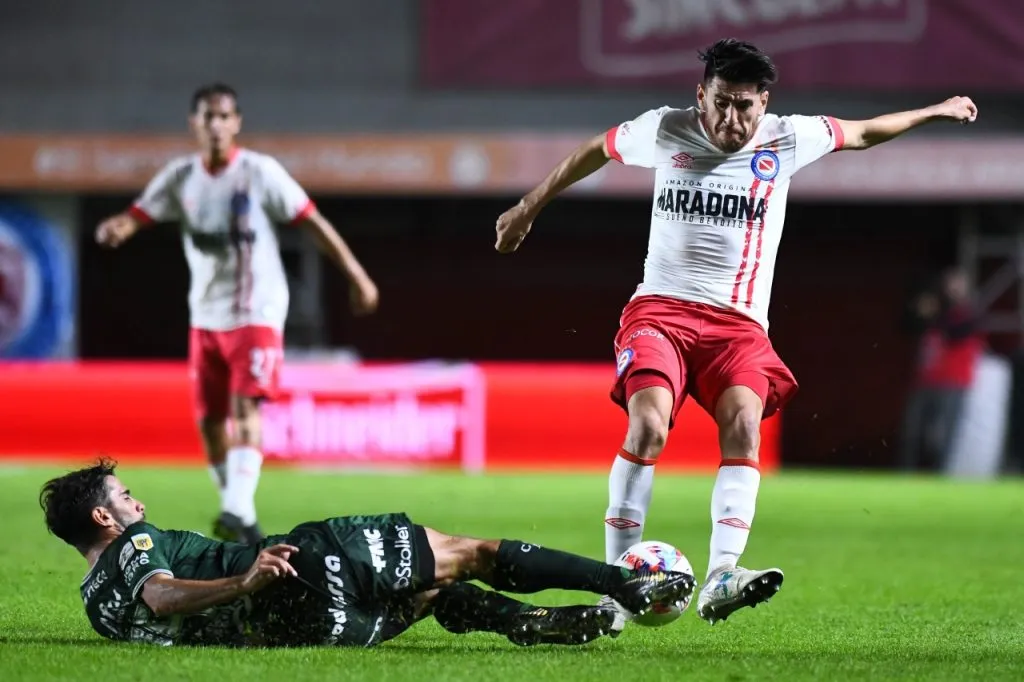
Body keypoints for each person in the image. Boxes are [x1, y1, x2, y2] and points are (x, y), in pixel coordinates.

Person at [493, 38, 978, 631]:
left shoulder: (788, 137)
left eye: (744, 106)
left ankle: (723, 574)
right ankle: (613, 587)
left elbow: (866, 132)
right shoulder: (665, 129)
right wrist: (528, 207)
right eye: (721, 103)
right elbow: (597, 149)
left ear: (763, 102)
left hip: (739, 327)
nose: (731, 119)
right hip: (660, 313)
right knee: (647, 425)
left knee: (744, 424)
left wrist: (933, 112)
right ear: (701, 95)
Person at [94, 83, 380, 545]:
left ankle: (236, 508)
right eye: (208, 117)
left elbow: (312, 221)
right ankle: (239, 513)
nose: (216, 125)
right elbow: (137, 215)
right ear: (195, 123)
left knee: (245, 407)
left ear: (237, 122)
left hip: (257, 309)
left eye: (224, 116)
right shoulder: (180, 177)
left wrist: (357, 275)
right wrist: (116, 228)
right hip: (205, 316)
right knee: (209, 421)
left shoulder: (259, 172)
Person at [41, 459, 695, 648]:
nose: (140, 507)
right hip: (299, 569)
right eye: (127, 498)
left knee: (427, 588)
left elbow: (152, 617)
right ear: (104, 516)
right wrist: (245, 581)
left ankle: (524, 624)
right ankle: (626, 582)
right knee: (471, 552)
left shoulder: (96, 607)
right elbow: (161, 592)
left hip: (309, 634)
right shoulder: (135, 549)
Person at [899, 267, 984, 472]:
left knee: (944, 434)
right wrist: (921, 311)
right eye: (950, 283)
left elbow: (956, 332)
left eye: (958, 284)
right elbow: (906, 326)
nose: (953, 288)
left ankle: (941, 474)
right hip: (926, 380)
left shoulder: (967, 313)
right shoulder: (937, 311)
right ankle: (904, 472)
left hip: (953, 382)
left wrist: (933, 314)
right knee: (912, 430)